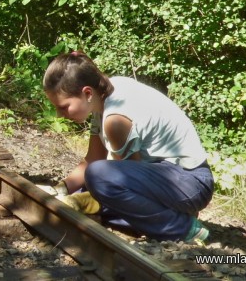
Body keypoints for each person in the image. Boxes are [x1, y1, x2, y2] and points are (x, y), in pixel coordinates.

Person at [41, 51, 214, 242]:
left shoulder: (115, 119)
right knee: (93, 184)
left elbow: (119, 179)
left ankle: (182, 228)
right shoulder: (105, 95)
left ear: (87, 93)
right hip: (169, 180)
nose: (59, 114)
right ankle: (163, 216)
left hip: (190, 183)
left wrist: (84, 199)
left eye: (64, 106)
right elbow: (93, 158)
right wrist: (61, 189)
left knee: (99, 180)